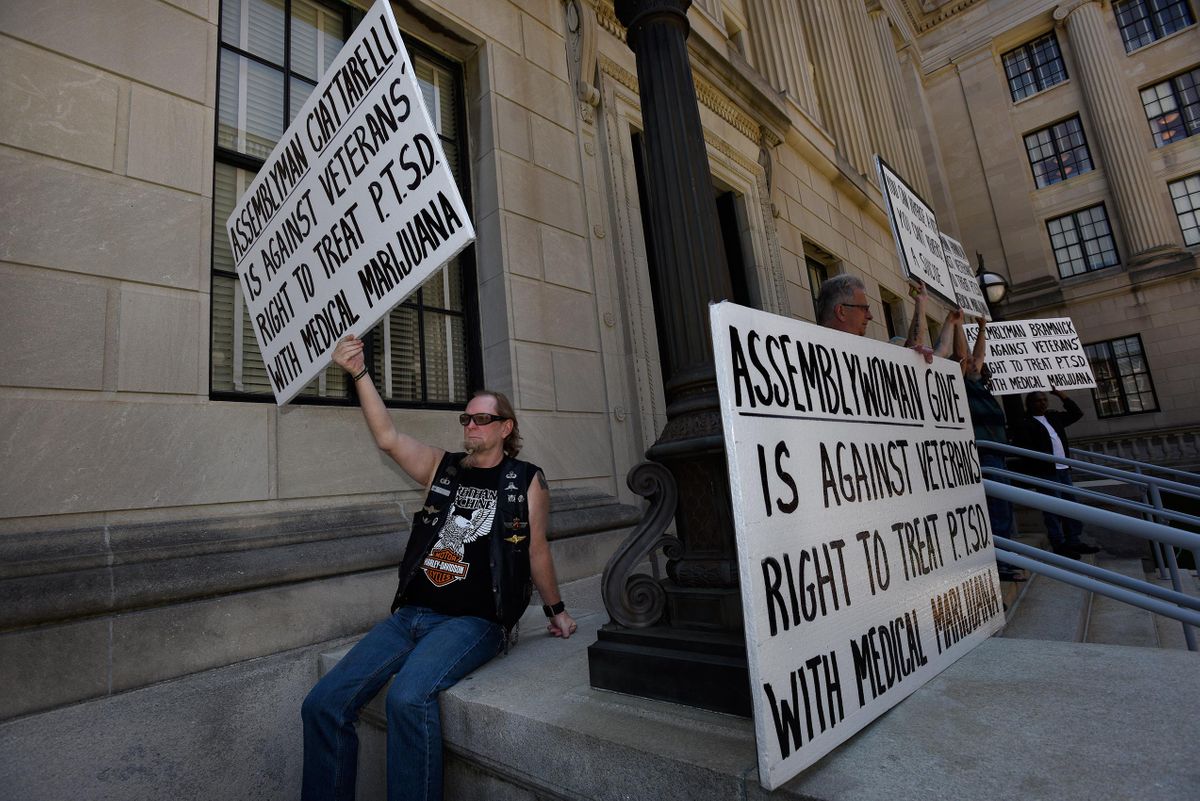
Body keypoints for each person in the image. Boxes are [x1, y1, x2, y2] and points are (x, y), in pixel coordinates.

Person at [301, 334, 577, 801]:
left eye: (482, 419)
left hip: (473, 622)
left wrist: (557, 610)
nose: (470, 426)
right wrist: (359, 374)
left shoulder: (525, 481)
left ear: (505, 428)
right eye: (466, 418)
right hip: (411, 616)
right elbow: (388, 439)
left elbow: (537, 551)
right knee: (323, 703)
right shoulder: (442, 468)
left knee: (408, 698)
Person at [956, 317, 1025, 581]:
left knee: (1002, 509)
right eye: (972, 362)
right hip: (985, 457)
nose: (977, 362)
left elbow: (978, 354)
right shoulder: (963, 385)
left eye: (979, 362)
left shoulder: (979, 387)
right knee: (997, 509)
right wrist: (959, 323)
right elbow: (965, 356)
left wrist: (982, 329)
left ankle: (1004, 557)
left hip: (996, 456)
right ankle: (1000, 561)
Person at [1011, 387, 1100, 558]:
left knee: (1070, 506)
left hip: (1063, 469)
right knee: (1052, 509)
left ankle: (1074, 540)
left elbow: (1076, 413)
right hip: (1046, 472)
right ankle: (1058, 543)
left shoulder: (1053, 417)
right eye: (1038, 400)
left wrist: (1060, 394)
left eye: (1044, 400)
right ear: (1029, 404)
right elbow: (1025, 448)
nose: (1042, 403)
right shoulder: (1025, 423)